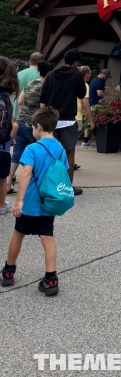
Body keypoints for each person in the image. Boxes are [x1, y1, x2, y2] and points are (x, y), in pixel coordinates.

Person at [1, 107, 69, 296]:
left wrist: (19, 201)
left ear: (38, 126)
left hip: (30, 202)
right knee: (47, 238)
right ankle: (51, 278)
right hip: (49, 202)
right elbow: (63, 172)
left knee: (18, 234)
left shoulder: (32, 148)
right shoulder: (61, 148)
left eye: (32, 127)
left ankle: (8, 271)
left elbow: (25, 173)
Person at [39, 49, 86, 196]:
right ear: (76, 62)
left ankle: (45, 185)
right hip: (68, 120)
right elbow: (82, 94)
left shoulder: (51, 74)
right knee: (69, 152)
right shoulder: (77, 75)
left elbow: (43, 97)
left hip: (52, 119)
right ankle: (67, 186)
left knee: (49, 152)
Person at [9, 61, 55, 194]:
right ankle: (35, 184)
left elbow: (20, 101)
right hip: (34, 125)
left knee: (16, 155)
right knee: (38, 154)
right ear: (50, 72)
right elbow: (43, 107)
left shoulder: (31, 83)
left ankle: (8, 183)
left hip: (21, 122)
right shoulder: (46, 86)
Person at [0, 57, 19, 216]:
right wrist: (13, 131)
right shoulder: (4, 98)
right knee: (1, 178)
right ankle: (1, 205)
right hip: (1, 147)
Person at [13, 52, 44, 117]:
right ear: (42, 62)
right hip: (30, 116)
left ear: (29, 61)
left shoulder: (18, 74)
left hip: (15, 112)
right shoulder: (41, 76)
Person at [78, 66, 95, 147]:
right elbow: (85, 104)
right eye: (90, 73)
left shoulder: (72, 82)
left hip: (67, 115)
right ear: (86, 74)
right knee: (71, 146)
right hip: (77, 117)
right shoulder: (85, 85)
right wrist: (91, 120)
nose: (90, 75)